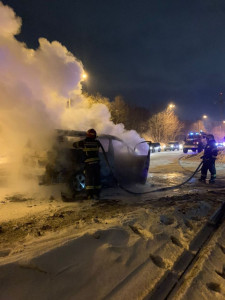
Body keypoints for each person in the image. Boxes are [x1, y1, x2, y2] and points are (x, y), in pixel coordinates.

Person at [73, 129, 101, 199]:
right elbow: (99, 145)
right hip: (96, 164)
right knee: (97, 178)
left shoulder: (84, 143)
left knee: (89, 179)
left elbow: (74, 145)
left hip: (89, 164)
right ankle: (97, 194)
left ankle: (89, 195)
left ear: (87, 135)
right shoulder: (97, 143)